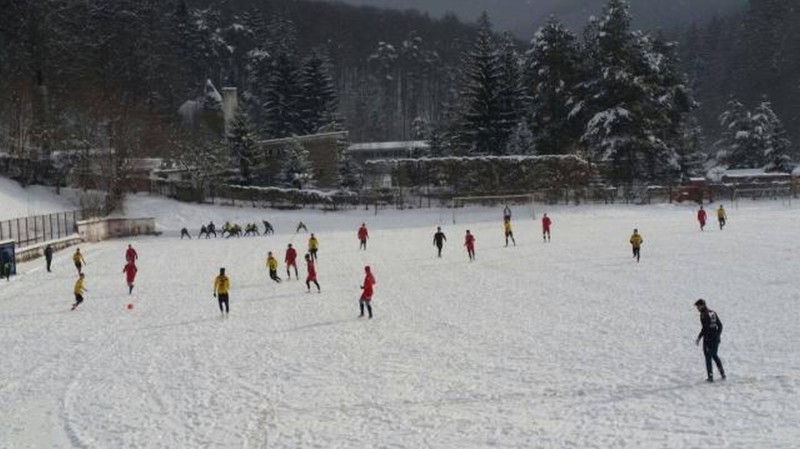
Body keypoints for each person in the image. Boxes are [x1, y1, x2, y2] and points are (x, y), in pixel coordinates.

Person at [694, 299, 726, 382]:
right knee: (714, 355)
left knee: (708, 357)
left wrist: (699, 337)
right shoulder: (712, 312)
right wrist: (718, 335)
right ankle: (722, 374)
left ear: (702, 305)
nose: (697, 308)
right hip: (715, 338)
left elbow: (705, 328)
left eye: (698, 306)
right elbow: (720, 325)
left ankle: (710, 377)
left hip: (709, 339)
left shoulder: (703, 314)